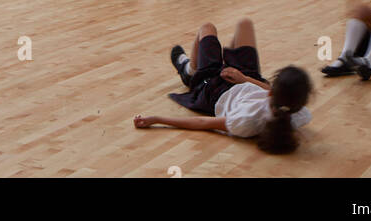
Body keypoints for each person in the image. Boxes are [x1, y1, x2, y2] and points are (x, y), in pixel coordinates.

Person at [132, 18, 312, 154]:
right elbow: (270, 91)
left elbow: (202, 122)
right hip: (247, 80)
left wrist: (157, 119)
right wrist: (245, 79)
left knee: (207, 27)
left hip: (214, 87)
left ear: (272, 92)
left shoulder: (246, 120)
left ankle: (189, 71)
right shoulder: (298, 113)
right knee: (244, 24)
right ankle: (228, 59)